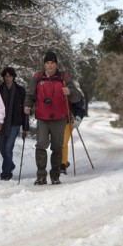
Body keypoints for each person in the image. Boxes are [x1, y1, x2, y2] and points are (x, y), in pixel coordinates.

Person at [24, 51, 83, 185]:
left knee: (57, 147)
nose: (50, 66)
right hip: (42, 118)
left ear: (56, 64)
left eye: (52, 63)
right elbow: (30, 94)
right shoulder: (38, 77)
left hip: (59, 118)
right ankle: (41, 176)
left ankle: (55, 176)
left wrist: (69, 92)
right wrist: (27, 105)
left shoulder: (63, 77)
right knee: (41, 145)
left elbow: (77, 96)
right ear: (44, 64)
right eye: (47, 63)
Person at [0, 67, 29, 181]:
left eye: (9, 76)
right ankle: (10, 164)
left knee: (8, 147)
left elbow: (25, 110)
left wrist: (26, 127)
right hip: (1, 122)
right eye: (5, 76)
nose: (7, 78)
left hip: (15, 123)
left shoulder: (20, 91)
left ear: (13, 77)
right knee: (1, 147)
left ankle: (6, 173)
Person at [60, 97, 86, 174]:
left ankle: (62, 165)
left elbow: (80, 106)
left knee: (63, 142)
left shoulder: (73, 87)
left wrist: (77, 117)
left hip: (68, 120)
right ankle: (61, 161)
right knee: (56, 143)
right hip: (54, 119)